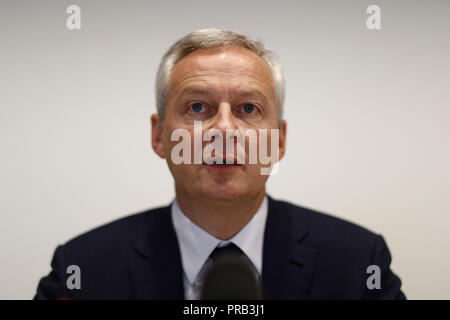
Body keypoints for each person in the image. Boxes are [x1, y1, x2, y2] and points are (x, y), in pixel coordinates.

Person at [34, 28, 406, 300]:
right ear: (160, 136)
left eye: (248, 108)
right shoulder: (81, 271)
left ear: (278, 140)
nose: (224, 129)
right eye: (197, 107)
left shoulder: (359, 265)